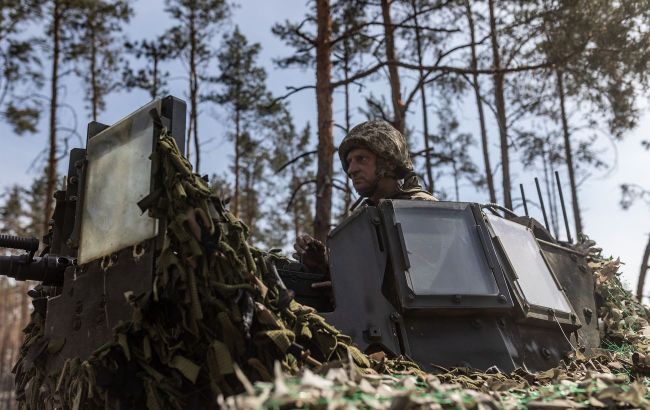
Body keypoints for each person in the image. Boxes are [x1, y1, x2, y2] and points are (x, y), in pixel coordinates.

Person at [293, 119, 436, 271]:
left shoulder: (422, 208)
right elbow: (359, 276)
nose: (351, 170)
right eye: (349, 162)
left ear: (389, 163)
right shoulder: (361, 221)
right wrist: (323, 265)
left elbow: (428, 276)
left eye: (361, 159)